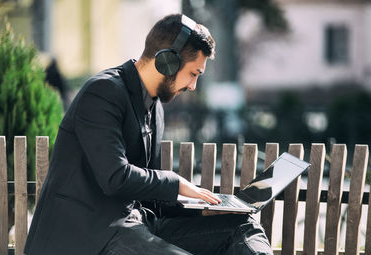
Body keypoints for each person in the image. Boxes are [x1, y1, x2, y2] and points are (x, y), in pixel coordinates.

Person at [24, 14, 272, 255]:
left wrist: (204, 210)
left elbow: (150, 196)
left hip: (135, 225)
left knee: (242, 228)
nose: (193, 86)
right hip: (88, 236)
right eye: (193, 74)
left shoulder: (155, 107)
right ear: (168, 62)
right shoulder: (102, 93)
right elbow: (115, 177)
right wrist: (176, 183)